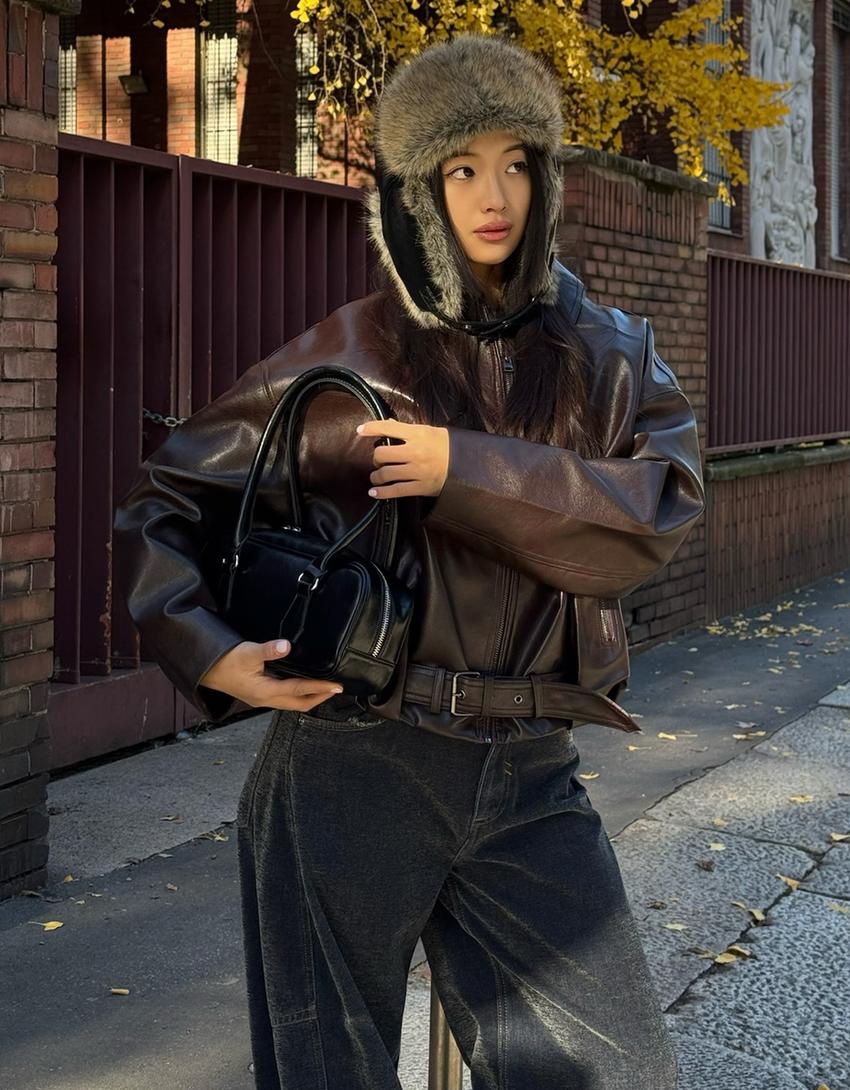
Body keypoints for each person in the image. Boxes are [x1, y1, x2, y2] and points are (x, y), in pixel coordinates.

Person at [113, 32, 705, 1090]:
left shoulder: (612, 353)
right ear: (414, 193)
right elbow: (168, 496)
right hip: (352, 761)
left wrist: (456, 468)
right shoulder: (353, 352)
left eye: (516, 162)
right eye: (459, 168)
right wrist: (210, 652)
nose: (494, 196)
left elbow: (652, 515)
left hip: (530, 769)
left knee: (620, 1072)